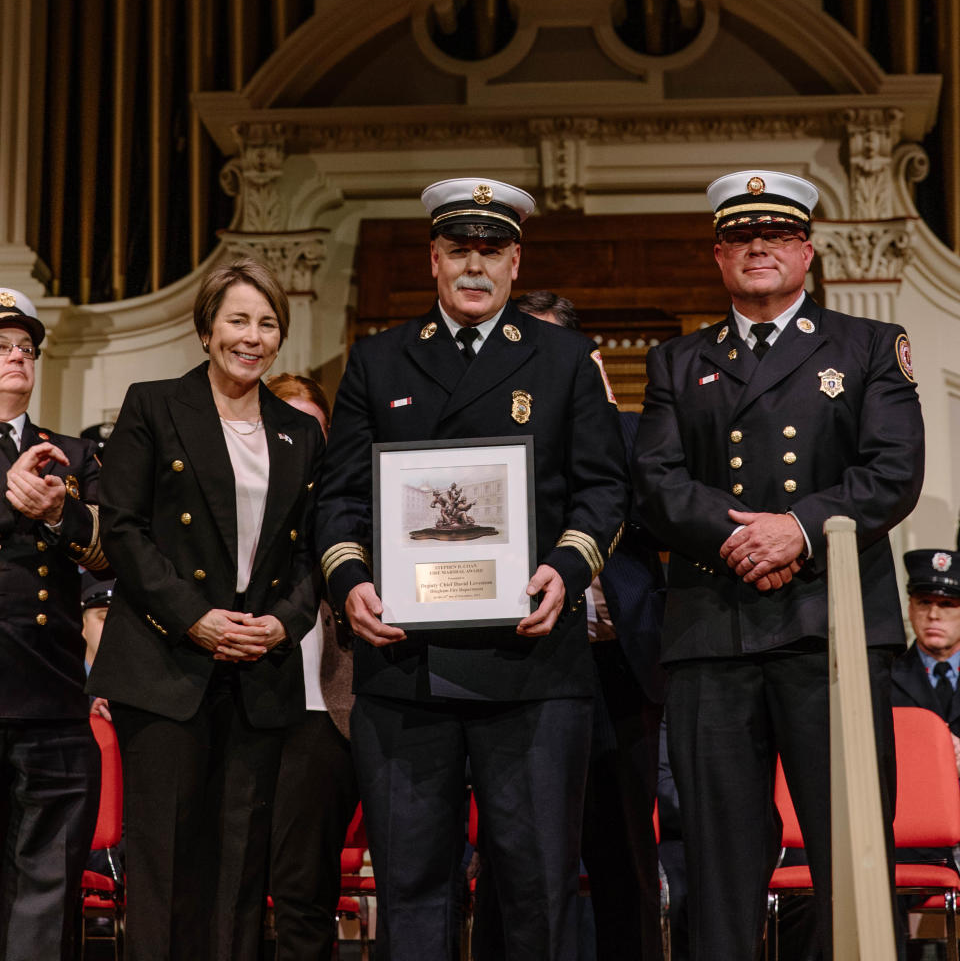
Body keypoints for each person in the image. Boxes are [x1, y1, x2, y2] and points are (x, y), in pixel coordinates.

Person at [315, 177, 629, 961]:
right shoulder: (379, 360)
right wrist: (350, 581)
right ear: (434, 259)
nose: (475, 267)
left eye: (492, 251)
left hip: (531, 663)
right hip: (403, 663)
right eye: (459, 250)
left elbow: (603, 489)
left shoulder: (564, 359)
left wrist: (567, 568)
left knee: (535, 885)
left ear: (516, 262)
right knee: (413, 884)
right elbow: (341, 497)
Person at [632, 169, 924, 961]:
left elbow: (893, 470)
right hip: (713, 630)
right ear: (718, 256)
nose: (758, 248)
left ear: (808, 250)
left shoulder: (866, 346)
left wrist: (797, 528)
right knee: (719, 857)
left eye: (776, 235)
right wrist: (745, 541)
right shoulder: (675, 361)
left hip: (831, 629)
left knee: (852, 847)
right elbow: (655, 483)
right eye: (739, 238)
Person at [87, 256, 324, 961]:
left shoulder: (300, 431)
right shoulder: (153, 405)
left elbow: (316, 551)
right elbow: (122, 528)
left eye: (267, 323)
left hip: (258, 670)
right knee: (164, 865)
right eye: (238, 320)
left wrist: (284, 621)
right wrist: (195, 618)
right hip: (166, 667)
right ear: (206, 329)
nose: (252, 336)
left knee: (240, 871)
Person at [516, 289, 666, 961]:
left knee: (625, 856)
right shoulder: (500, 438)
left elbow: (660, 514)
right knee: (522, 856)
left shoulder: (633, 431)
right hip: (531, 665)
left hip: (618, 666)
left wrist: (599, 412)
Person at [0, 286, 108, 960]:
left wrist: (54, 512)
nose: (17, 357)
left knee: (46, 891)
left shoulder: (71, 452)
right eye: (1, 348)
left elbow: (109, 549)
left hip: (51, 697)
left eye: (25, 348)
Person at [264, 371, 359, 961]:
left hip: (327, 711)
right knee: (236, 879)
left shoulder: (349, 509)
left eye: (313, 431)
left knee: (304, 890)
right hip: (246, 705)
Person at [891, 549, 960, 756]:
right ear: (910, 609)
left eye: (947, 604)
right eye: (924, 602)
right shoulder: (884, 677)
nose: (933, 615)